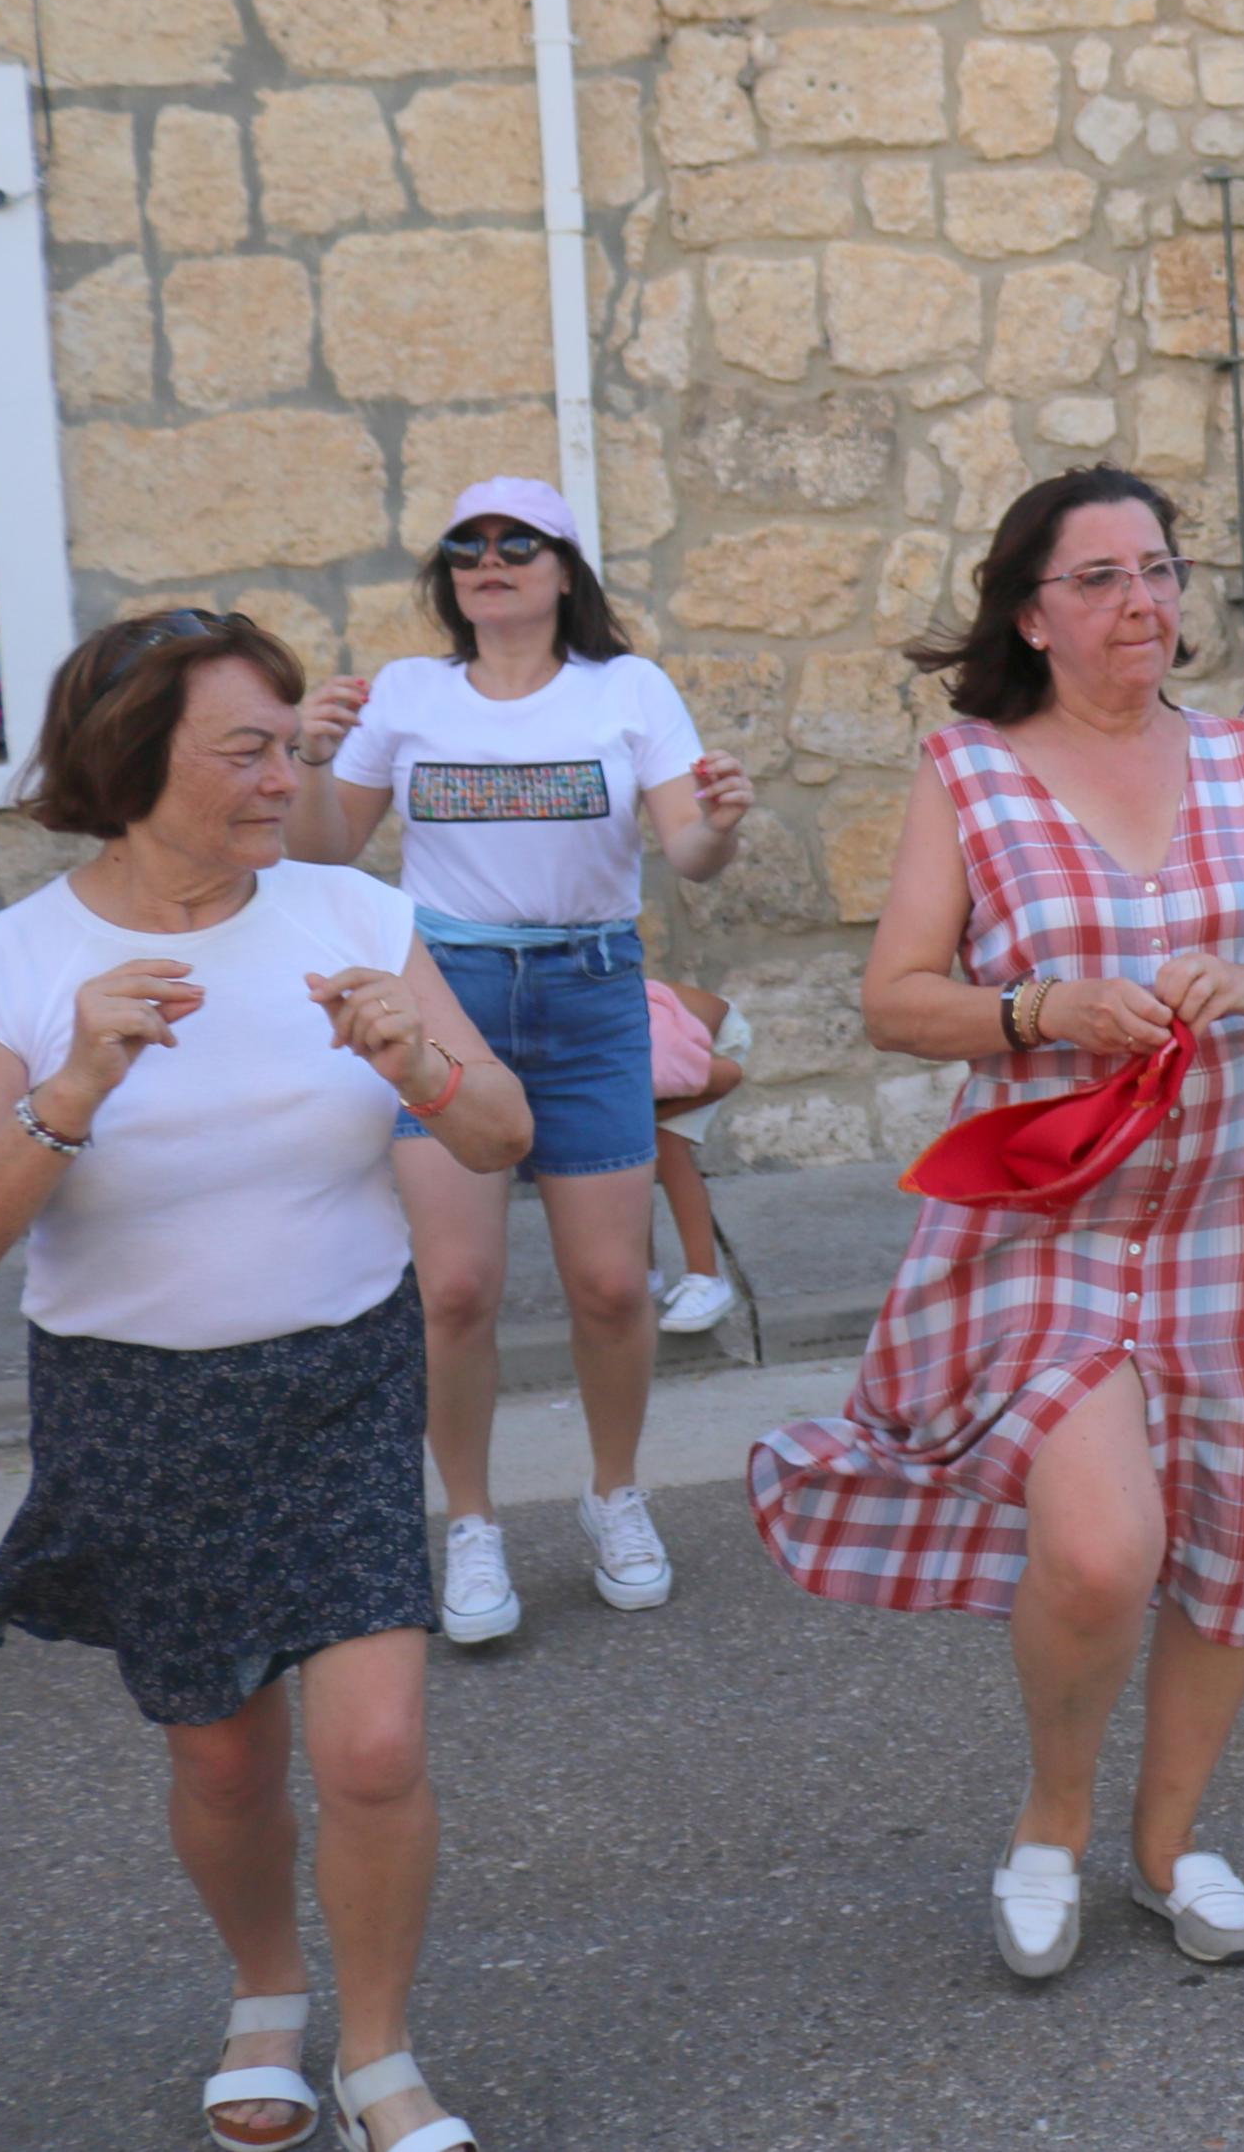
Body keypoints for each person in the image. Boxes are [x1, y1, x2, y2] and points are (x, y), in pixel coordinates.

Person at [750, 469, 1244, 1977]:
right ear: (1031, 616)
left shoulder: (1242, 759)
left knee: (1227, 1554)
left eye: (1155, 569)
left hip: (1227, 1215)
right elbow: (897, 997)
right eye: (1095, 578)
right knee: (1104, 1550)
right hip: (1049, 1226)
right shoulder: (969, 771)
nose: (1138, 602)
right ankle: (1051, 1817)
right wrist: (1036, 1006)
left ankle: (1167, 1847)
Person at [0, 611, 533, 2152]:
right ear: (134, 762)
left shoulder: (350, 910)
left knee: (377, 1743)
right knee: (220, 1748)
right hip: (133, 1400)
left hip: (336, 1373)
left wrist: (423, 1061)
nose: (291, 776)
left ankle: (380, 2049)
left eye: (295, 744)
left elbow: (500, 1133)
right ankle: (267, 1988)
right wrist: (70, 1087)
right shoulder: (9, 960)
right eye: (249, 750)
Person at [282, 476, 751, 1646]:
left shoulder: (627, 688)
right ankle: (474, 1525)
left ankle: (614, 1496)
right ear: (449, 575)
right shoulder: (406, 693)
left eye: (516, 544)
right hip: (448, 989)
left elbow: (687, 852)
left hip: (591, 992)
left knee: (608, 1284)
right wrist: (305, 758)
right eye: (467, 547)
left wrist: (723, 823)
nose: (488, 561)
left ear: (562, 569)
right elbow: (328, 848)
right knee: (455, 1290)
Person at [647, 975, 750, 1337]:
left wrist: (647, 1120)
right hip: (663, 1048)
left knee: (668, 1148)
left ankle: (707, 1280)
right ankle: (643, 1272)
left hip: (715, 1049)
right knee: (626, 1151)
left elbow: (728, 1076)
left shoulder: (654, 1057)